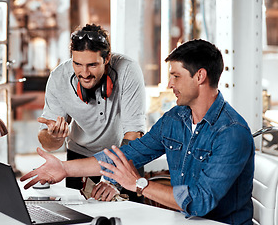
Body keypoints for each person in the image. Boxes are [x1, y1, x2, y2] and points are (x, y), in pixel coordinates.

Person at [22, 39, 254, 225]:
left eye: (176, 76)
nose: (169, 84)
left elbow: (201, 202)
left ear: (200, 76)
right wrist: (64, 168)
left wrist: (140, 184)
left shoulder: (232, 133)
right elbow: (128, 154)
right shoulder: (176, 119)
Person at [36, 24, 146, 201]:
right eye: (77, 64)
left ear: (107, 58)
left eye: (92, 65)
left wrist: (115, 180)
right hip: (80, 157)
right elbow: (48, 145)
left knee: (130, 214)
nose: (84, 73)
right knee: (79, 216)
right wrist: (55, 136)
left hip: (124, 154)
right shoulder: (59, 77)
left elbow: (134, 134)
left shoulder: (128, 70)